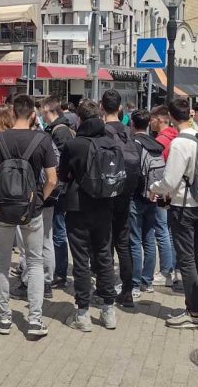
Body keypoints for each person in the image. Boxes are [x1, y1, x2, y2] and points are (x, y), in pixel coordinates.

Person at [0, 94, 58, 338]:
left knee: (2, 261)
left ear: (13, 113)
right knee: (34, 262)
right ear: (34, 115)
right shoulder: (42, 140)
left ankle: (4, 319)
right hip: (31, 208)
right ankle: (34, 320)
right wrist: (41, 199)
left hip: (3, 208)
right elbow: (53, 179)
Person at [150, 98, 198, 329]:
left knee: (186, 260)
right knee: (197, 257)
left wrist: (153, 188)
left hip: (184, 206)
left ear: (170, 117)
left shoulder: (179, 143)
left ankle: (194, 312)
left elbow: (170, 180)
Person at [59, 99, 122, 332]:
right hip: (105, 205)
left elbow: (63, 176)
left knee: (81, 260)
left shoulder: (74, 144)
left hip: (77, 206)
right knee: (104, 257)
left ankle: (83, 313)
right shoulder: (111, 142)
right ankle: (108, 311)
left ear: (80, 120)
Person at [101, 90, 136, 307]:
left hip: (105, 193)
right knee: (123, 243)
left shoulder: (101, 131)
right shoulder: (127, 131)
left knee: (104, 243)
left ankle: (105, 289)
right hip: (126, 191)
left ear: (102, 107)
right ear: (120, 107)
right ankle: (128, 290)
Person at [130, 109, 170, 297]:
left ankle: (135, 284)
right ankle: (147, 281)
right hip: (153, 195)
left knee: (135, 240)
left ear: (132, 124)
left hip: (137, 197)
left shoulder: (134, 144)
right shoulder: (156, 144)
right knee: (149, 239)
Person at [39, 97, 75, 289]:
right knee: (56, 230)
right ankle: (56, 270)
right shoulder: (61, 128)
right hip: (61, 186)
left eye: (41, 111)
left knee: (58, 231)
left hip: (58, 188)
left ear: (47, 109)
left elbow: (59, 162)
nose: (40, 115)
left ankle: (59, 274)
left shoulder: (58, 132)